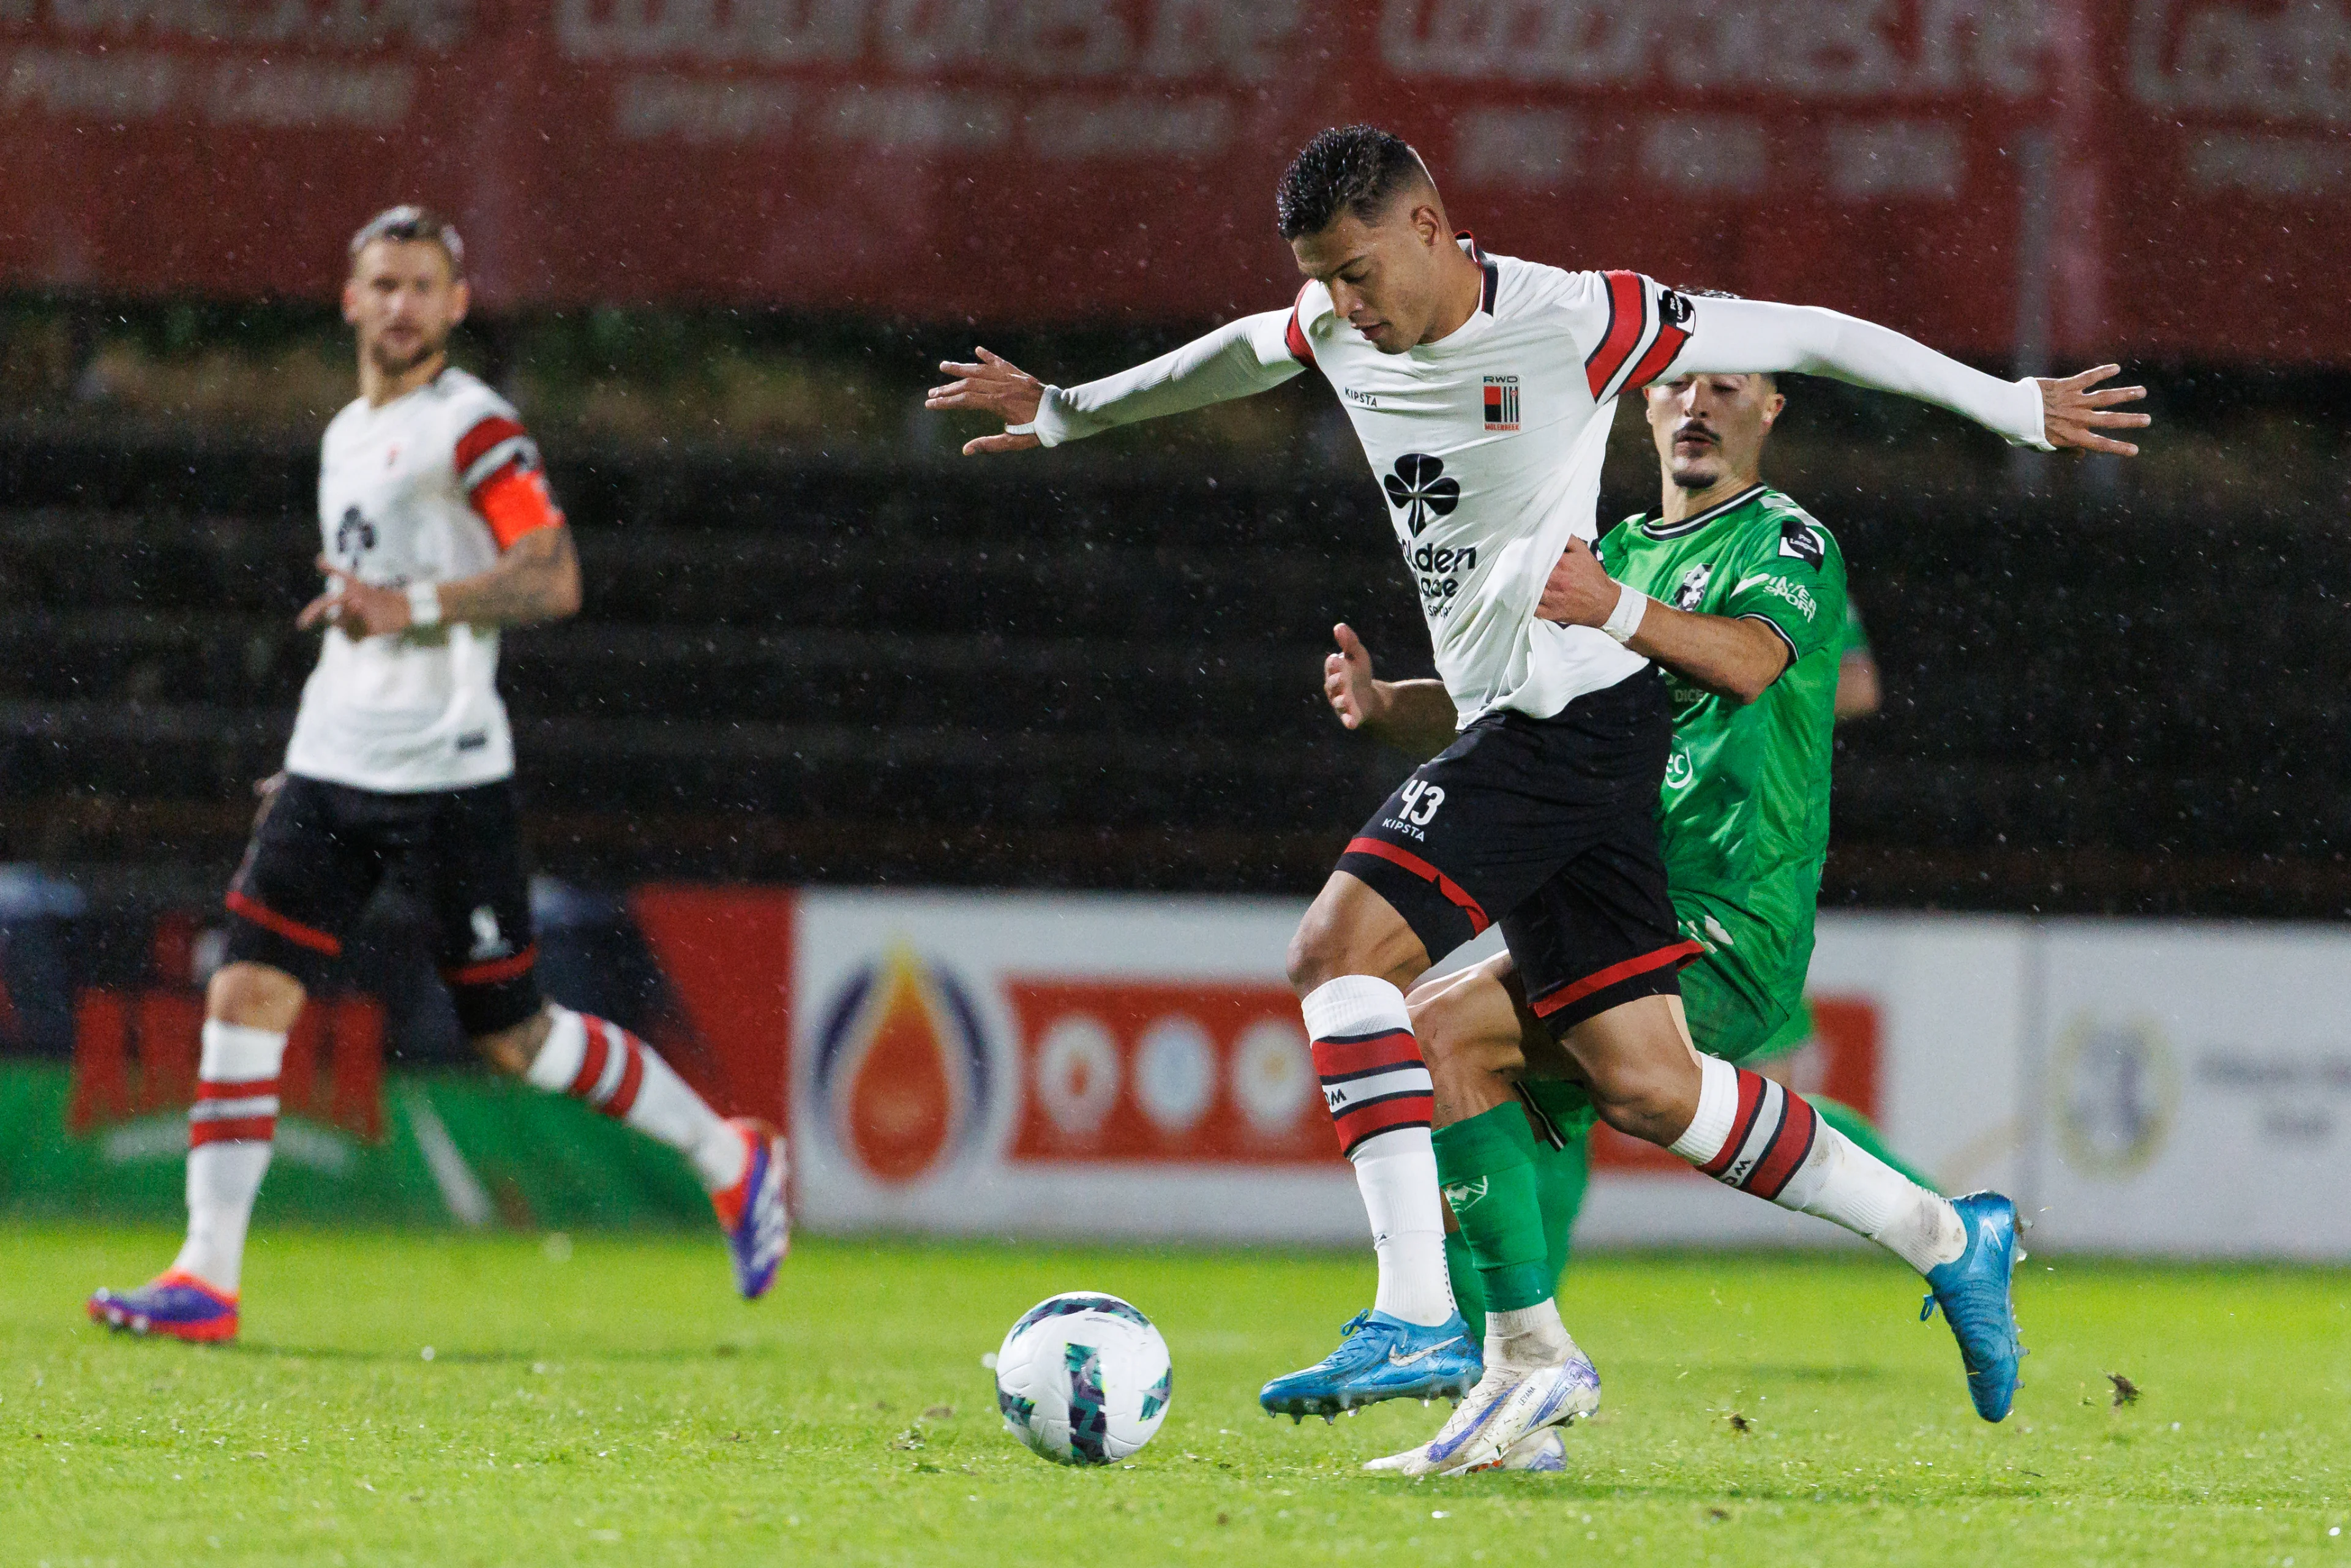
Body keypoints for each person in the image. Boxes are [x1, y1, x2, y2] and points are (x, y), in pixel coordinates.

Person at [926, 125, 2145, 1474]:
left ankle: (1416, 1314)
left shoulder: (1580, 320)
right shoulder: (1340, 334)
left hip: (1569, 721)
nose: (1343, 304)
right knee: (1647, 1081)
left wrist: (2010, 405)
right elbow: (1230, 353)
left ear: (1433, 225)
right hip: (1557, 724)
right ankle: (1918, 1241)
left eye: (1358, 271)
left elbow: (1812, 328)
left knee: (1338, 952)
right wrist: (1066, 409)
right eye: (1324, 281)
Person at [87, 207, 788, 1345]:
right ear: (351, 298)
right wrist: (313, 751)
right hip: (333, 766)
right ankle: (205, 1277)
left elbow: (550, 575)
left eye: (424, 286)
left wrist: (409, 610)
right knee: (246, 992)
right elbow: (353, 612)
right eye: (385, 284)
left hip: (450, 779)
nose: (403, 304)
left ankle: (729, 1152)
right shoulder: (344, 436)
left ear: (457, 305)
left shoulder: (473, 428)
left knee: (519, 1037)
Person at [1307, 361, 1941, 1473]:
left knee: (1499, 1059)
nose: (1698, 406)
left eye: (1730, 388)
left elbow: (1761, 667)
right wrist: (1395, 706)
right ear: (1640, 410)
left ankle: (1936, 1230)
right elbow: (1515, 720)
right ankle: (1516, 1381)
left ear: (1773, 411)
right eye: (1678, 386)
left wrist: (1623, 616)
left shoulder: (1792, 545)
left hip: (1725, 907)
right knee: (1468, 1058)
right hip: (1607, 891)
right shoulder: (1613, 551)